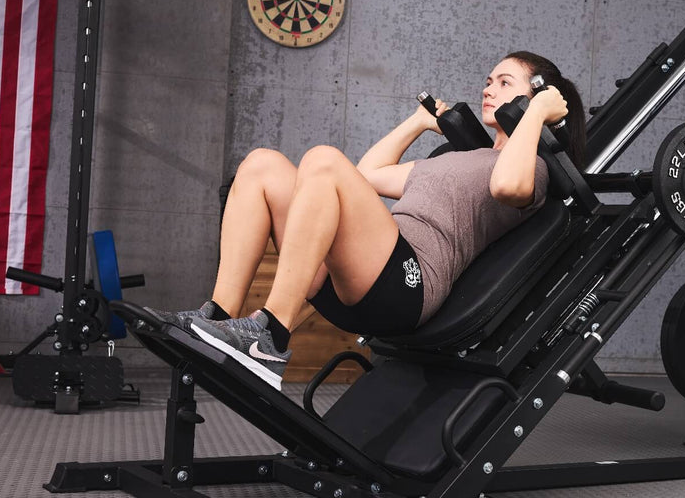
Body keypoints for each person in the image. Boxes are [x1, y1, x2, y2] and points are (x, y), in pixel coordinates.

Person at [156, 51, 587, 390]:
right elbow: (366, 176)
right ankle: (217, 317)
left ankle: (270, 337)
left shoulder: (534, 170)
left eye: (504, 82)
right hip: (364, 273)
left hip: (407, 285)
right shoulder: (461, 159)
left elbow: (507, 188)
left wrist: (537, 115)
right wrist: (417, 123)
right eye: (488, 80)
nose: (489, 89)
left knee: (323, 160)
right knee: (260, 165)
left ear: (538, 96)